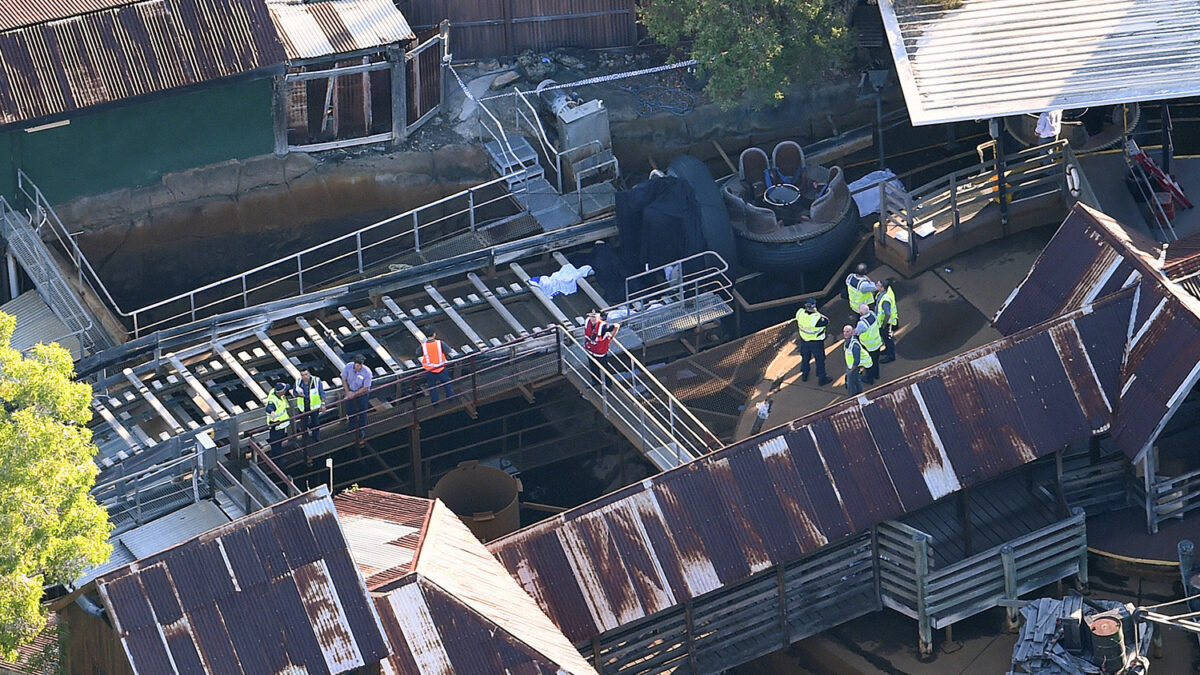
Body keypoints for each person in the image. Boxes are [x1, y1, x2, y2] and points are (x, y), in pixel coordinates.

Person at [795, 298, 831, 386]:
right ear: (814, 306)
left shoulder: (799, 313)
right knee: (819, 359)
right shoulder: (817, 318)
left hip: (804, 340)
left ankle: (805, 374)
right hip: (816, 342)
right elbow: (827, 321)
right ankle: (822, 378)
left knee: (805, 358)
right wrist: (816, 312)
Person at [341, 353, 372, 447]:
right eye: (358, 365)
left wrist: (353, 394)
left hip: (362, 394)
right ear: (354, 363)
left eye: (361, 365)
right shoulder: (348, 367)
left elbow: (366, 387)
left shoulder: (367, 372)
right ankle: (352, 426)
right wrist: (348, 392)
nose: (359, 367)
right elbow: (343, 378)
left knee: (362, 411)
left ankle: (361, 430)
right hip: (351, 391)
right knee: (350, 410)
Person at [584, 312, 619, 385]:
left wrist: (611, 337)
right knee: (593, 367)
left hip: (600, 352)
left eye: (594, 317)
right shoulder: (587, 322)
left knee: (604, 368)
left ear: (598, 317)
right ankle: (595, 381)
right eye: (591, 317)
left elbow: (616, 326)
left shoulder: (603, 326)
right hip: (590, 350)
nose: (592, 319)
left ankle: (608, 383)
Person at [291, 368, 325, 441]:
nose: (305, 377)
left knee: (315, 423)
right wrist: (299, 395)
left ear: (309, 374)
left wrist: (323, 404)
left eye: (306, 374)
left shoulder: (316, 381)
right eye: (302, 375)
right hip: (303, 407)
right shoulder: (298, 382)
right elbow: (294, 393)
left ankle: (316, 437)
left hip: (314, 407)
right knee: (303, 424)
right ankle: (305, 439)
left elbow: (322, 393)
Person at [421, 328, 453, 404]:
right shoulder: (440, 343)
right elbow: (449, 350)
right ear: (434, 334)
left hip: (430, 369)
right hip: (441, 367)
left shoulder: (424, 346)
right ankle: (450, 398)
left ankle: (435, 402)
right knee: (447, 383)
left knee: (432, 387)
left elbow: (418, 352)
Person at [855, 304, 883, 385]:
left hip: (869, 346)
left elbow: (856, 332)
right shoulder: (872, 315)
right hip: (877, 342)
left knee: (869, 363)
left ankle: (869, 379)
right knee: (876, 360)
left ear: (860, 313)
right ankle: (876, 375)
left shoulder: (862, 324)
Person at [843, 325, 873, 396]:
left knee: (851, 383)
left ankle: (852, 396)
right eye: (844, 331)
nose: (845, 333)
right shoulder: (848, 342)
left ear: (852, 332)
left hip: (853, 367)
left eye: (847, 331)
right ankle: (860, 393)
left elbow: (857, 360)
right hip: (852, 366)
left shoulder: (854, 346)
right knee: (856, 380)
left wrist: (851, 371)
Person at [875, 279, 899, 364]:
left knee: (888, 338)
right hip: (885, 322)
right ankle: (887, 350)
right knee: (886, 338)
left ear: (882, 288)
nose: (876, 286)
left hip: (886, 323)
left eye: (878, 285)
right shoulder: (887, 292)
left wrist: (884, 324)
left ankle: (891, 356)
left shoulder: (885, 300)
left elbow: (887, 314)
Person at [264, 382, 290, 455]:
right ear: (281, 392)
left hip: (281, 424)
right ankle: (276, 460)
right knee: (276, 444)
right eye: (284, 390)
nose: (285, 391)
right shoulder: (273, 400)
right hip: (276, 425)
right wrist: (271, 412)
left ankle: (278, 456)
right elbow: (269, 408)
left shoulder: (276, 392)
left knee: (279, 442)